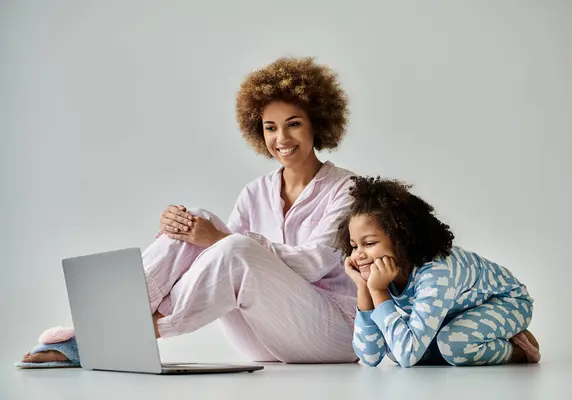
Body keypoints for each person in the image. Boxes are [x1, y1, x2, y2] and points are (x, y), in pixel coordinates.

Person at [19, 57, 359, 366]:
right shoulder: (255, 192)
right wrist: (181, 227)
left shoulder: (347, 188)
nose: (281, 137)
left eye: (293, 124)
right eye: (270, 127)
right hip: (262, 340)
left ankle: (110, 337)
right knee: (198, 219)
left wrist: (222, 238)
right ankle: (101, 322)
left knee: (233, 246)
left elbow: (315, 264)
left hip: (331, 333)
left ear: (317, 123)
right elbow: (213, 254)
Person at [336, 176, 541, 367]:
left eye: (369, 243)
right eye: (354, 246)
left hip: (507, 302)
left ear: (402, 239)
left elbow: (407, 356)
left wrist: (379, 293)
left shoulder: (436, 273)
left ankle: (519, 350)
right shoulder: (383, 274)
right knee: (394, 345)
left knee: (453, 345)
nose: (358, 255)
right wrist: (364, 288)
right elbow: (370, 356)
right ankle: (460, 342)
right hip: (451, 315)